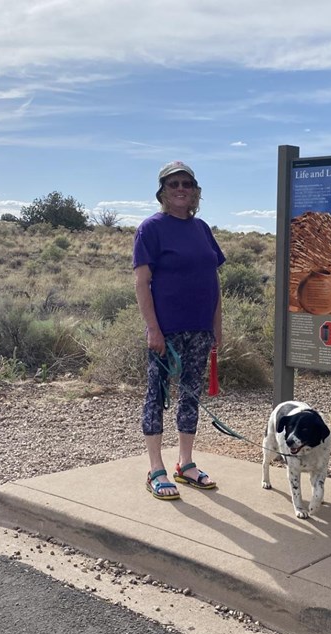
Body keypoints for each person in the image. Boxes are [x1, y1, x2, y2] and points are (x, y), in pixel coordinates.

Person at [133, 161, 225, 500]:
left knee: (191, 395)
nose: (181, 189)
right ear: (163, 191)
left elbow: (213, 280)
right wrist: (153, 329)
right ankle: (155, 468)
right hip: (166, 331)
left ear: (195, 190)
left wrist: (217, 325)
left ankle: (185, 464)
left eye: (186, 183)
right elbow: (142, 282)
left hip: (199, 328)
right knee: (156, 395)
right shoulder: (151, 229)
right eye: (173, 184)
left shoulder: (202, 229)